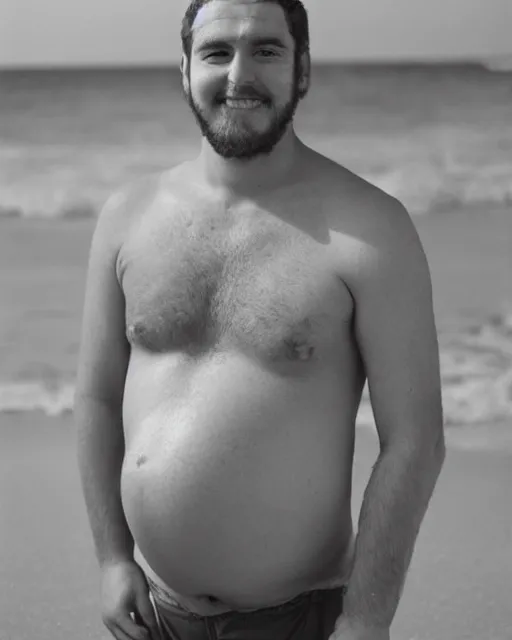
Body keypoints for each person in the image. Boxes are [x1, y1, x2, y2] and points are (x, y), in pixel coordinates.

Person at [75, 1, 446, 639]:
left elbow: (414, 442)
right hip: (155, 615)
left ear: (302, 70)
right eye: (217, 52)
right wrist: (112, 557)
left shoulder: (371, 229)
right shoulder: (126, 216)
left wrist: (366, 619)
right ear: (185, 69)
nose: (239, 74)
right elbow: (98, 397)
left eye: (267, 51)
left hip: (301, 620)